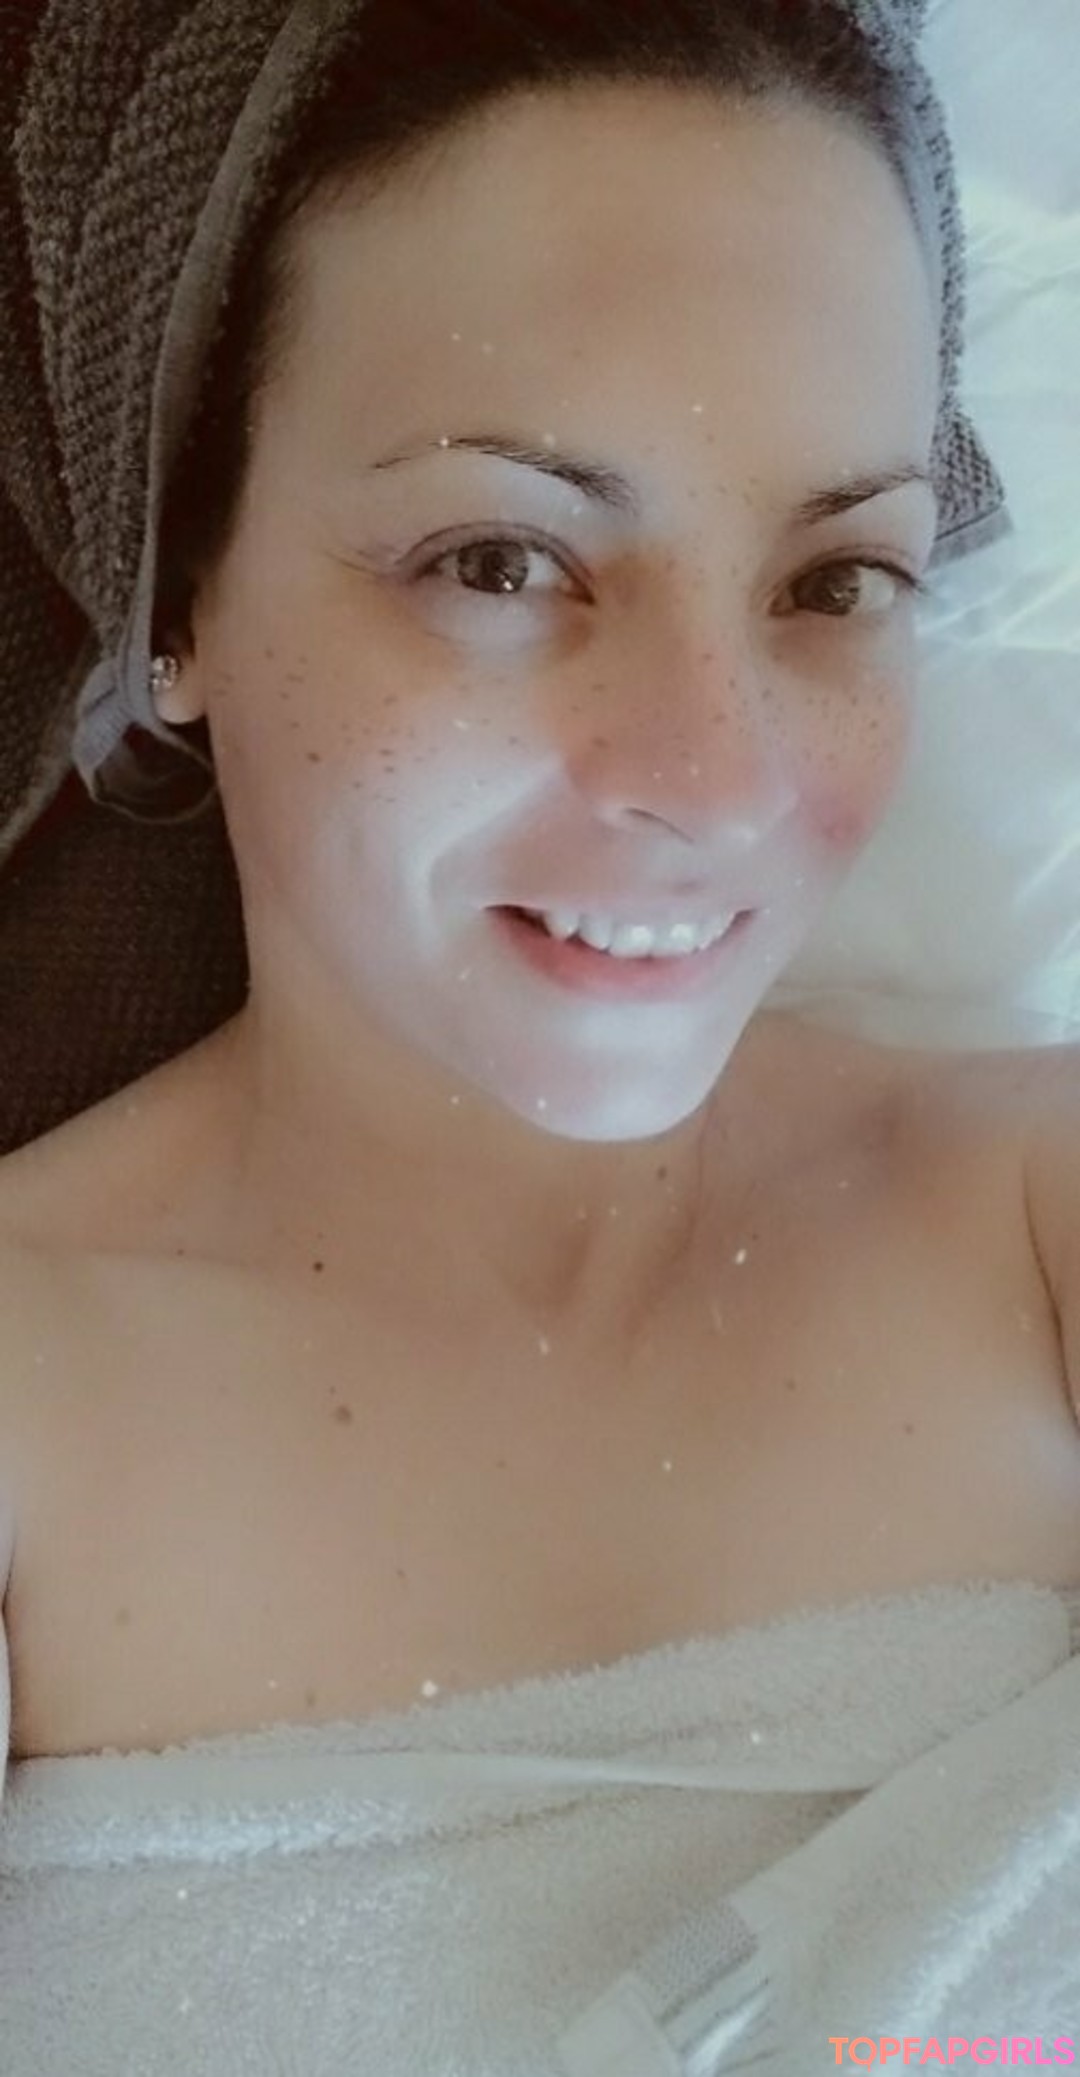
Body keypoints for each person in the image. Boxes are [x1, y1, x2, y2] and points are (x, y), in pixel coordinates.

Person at [1, 4, 1079, 2070]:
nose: (718, 776)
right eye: (501, 559)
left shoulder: (1044, 1225)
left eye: (837, 581)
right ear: (180, 594)